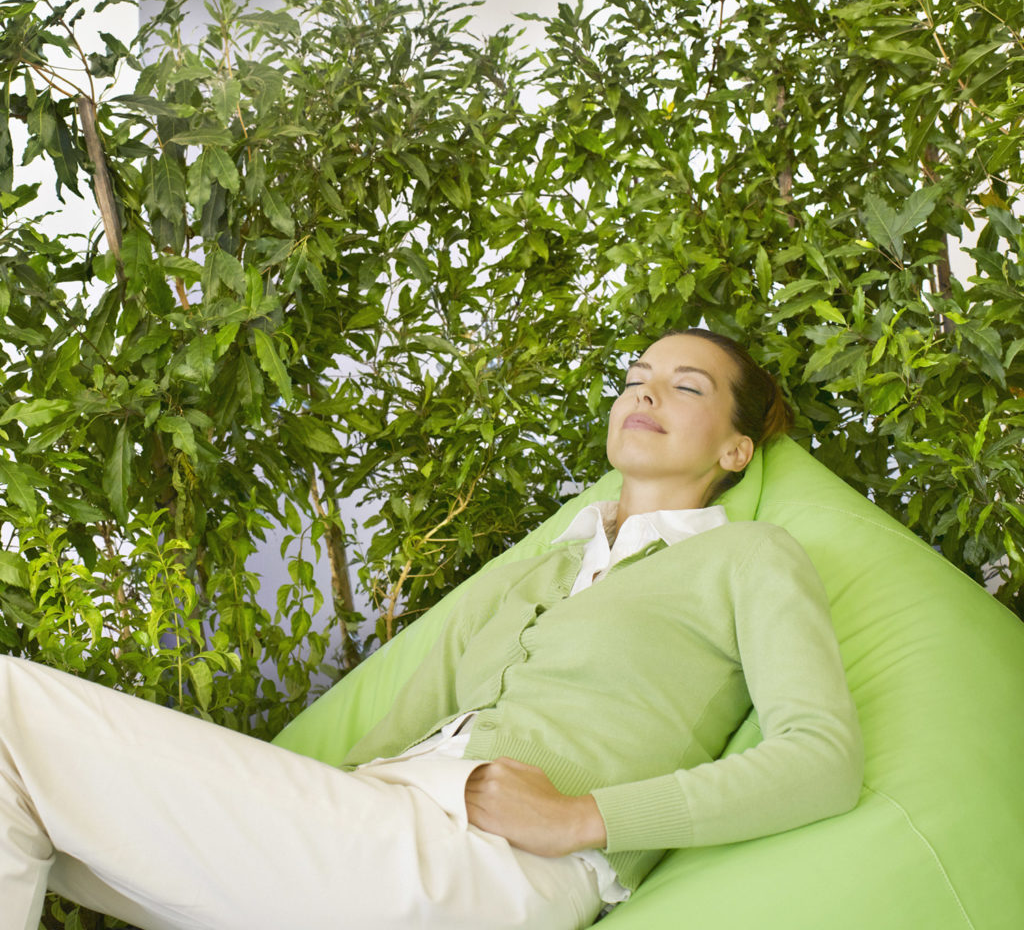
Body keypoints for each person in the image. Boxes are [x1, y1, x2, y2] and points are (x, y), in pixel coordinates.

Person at [0, 329, 862, 930]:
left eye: (686, 386)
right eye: (637, 377)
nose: (646, 392)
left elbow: (822, 759)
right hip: (378, 821)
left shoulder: (750, 556)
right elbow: (418, 700)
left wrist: (584, 817)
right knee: (25, 801)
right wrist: (291, 797)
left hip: (486, 862)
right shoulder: (546, 559)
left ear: (737, 451)